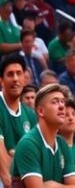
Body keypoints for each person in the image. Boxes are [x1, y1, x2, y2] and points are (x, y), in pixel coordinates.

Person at [10, 84, 75, 187]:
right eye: (55, 102)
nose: (61, 106)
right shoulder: (29, 144)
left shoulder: (62, 143)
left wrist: (52, 185)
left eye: (62, 102)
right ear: (41, 111)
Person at [0, 54, 37, 188]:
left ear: (24, 78)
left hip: (24, 178)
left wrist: (15, 154)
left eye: (18, 73)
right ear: (1, 80)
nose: (15, 79)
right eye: (10, 74)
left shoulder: (31, 115)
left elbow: (34, 156)